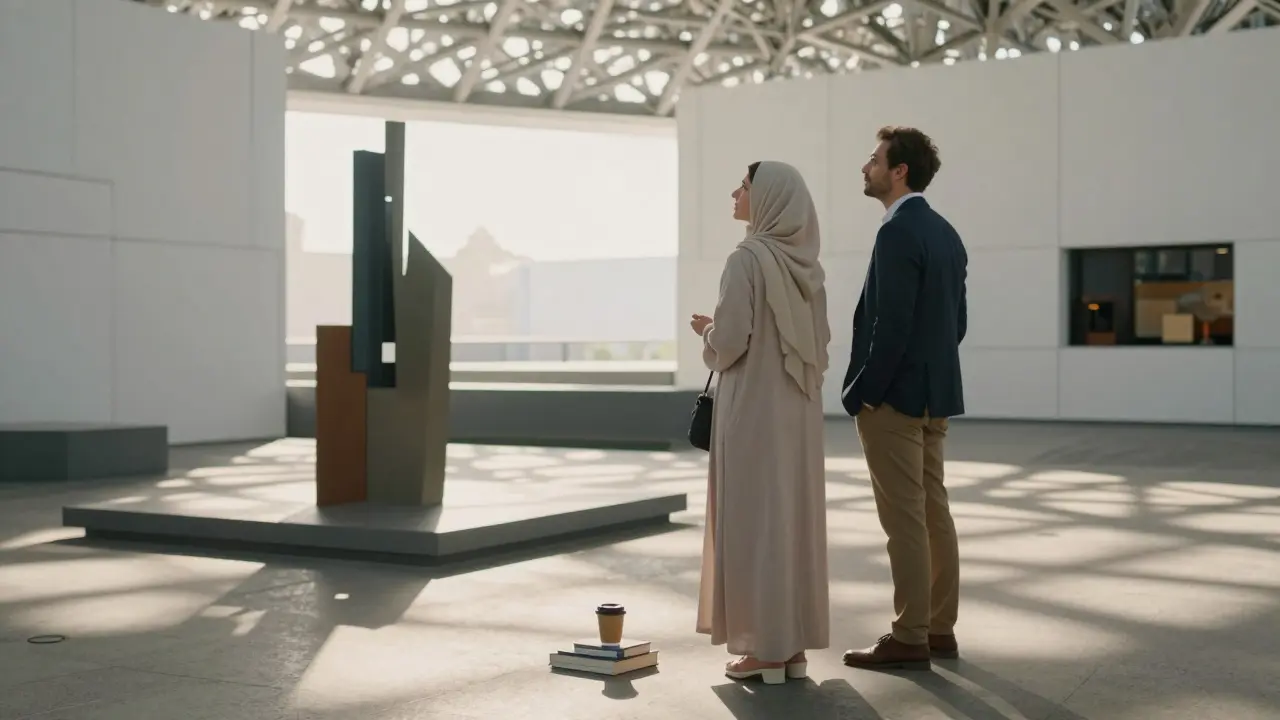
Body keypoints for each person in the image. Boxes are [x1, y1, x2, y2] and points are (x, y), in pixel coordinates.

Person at [691, 160, 832, 685]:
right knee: (789, 522)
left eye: (744, 186)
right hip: (796, 414)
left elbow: (729, 346)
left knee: (752, 524)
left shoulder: (746, 259)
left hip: (751, 412)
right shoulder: (807, 268)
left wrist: (706, 333)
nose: (735, 192)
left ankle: (764, 650)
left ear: (767, 196)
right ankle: (789, 648)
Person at [839, 126, 967, 671]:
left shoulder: (896, 234)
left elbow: (888, 327)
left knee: (905, 520)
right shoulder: (946, 232)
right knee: (934, 511)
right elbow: (955, 324)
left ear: (899, 172)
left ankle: (909, 634)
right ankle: (939, 628)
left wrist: (862, 393)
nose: (864, 168)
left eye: (873, 160)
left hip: (893, 401)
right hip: (935, 396)